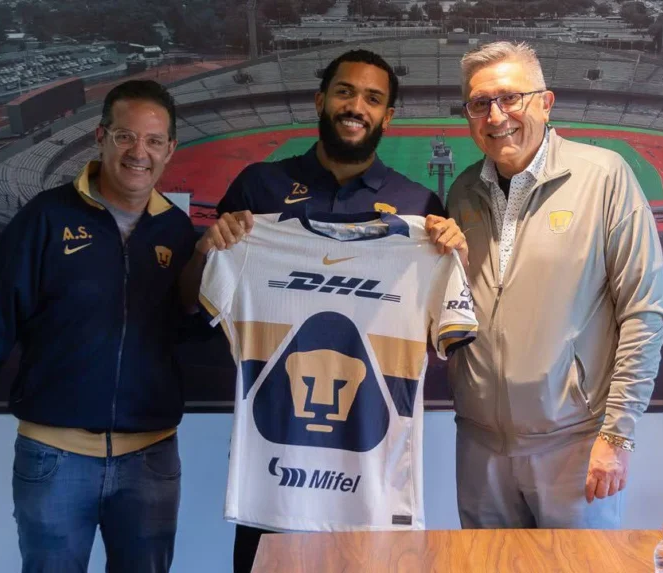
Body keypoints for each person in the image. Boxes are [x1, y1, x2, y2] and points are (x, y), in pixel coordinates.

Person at [186, 49, 467, 573]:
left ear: (387, 116)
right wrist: (208, 250)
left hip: (373, 496)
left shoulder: (420, 211)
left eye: (372, 98)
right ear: (321, 101)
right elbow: (195, 309)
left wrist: (454, 260)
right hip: (274, 488)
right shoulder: (257, 191)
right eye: (344, 92)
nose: (356, 106)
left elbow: (447, 337)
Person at [0, 80, 195, 572]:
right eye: (125, 136)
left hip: (151, 460)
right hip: (53, 456)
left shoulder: (178, 232)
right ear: (100, 137)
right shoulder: (45, 218)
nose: (138, 152)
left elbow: (185, 333)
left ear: (169, 150)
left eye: (153, 140)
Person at [445, 41, 663, 529]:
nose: (496, 116)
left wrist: (618, 436)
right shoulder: (462, 190)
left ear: (545, 103)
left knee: (577, 565)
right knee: (487, 567)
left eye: (510, 98)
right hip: (480, 448)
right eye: (480, 104)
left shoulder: (604, 176)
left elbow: (644, 312)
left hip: (576, 445)